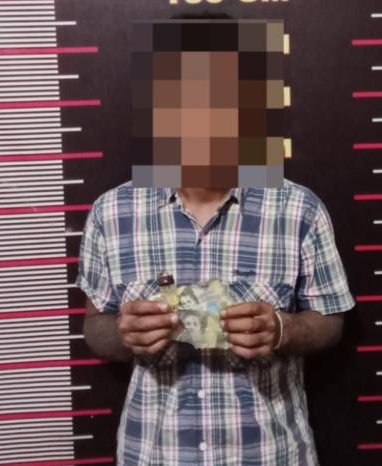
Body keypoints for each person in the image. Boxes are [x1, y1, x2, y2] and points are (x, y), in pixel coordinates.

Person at [77, 16, 355, 466]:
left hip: (270, 454)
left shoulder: (299, 208)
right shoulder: (111, 212)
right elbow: (95, 325)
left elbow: (330, 320)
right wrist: (125, 333)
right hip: (155, 453)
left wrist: (281, 329)